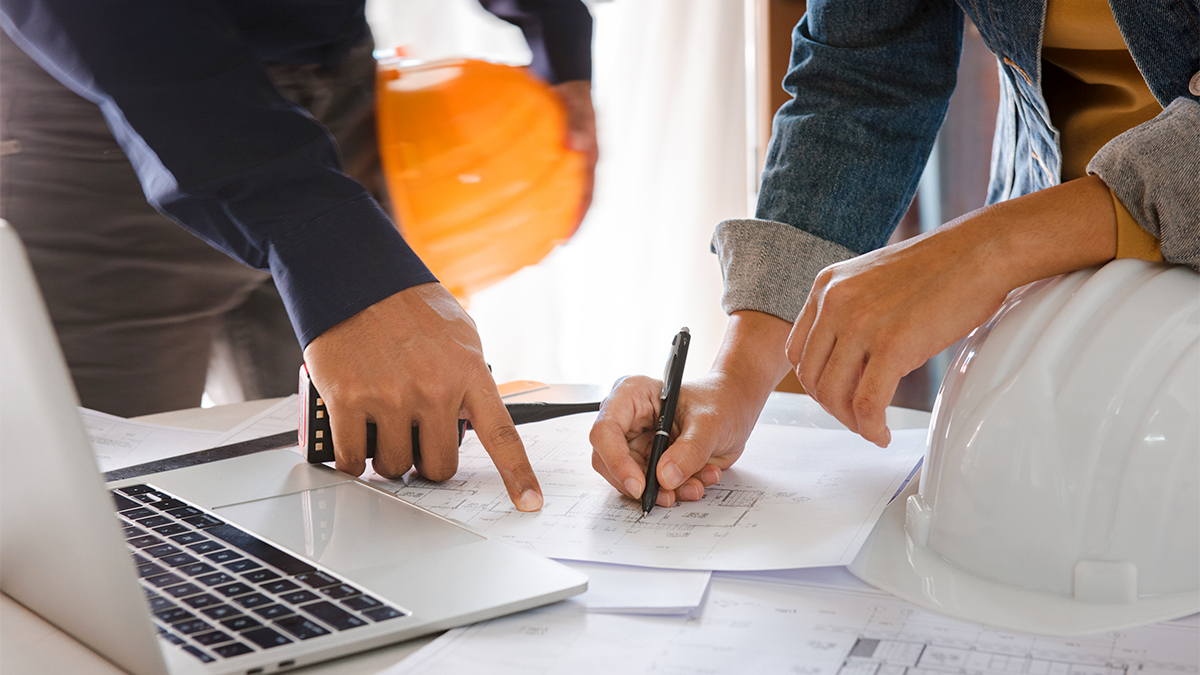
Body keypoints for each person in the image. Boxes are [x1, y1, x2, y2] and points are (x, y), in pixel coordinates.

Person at [590, 0, 1199, 509]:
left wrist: (990, 250)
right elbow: (866, 74)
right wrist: (737, 377)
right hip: (1053, 294)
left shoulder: (1001, 250)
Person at [0, 0, 596, 512]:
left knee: (350, 516)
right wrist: (324, 241)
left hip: (335, 88)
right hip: (112, 109)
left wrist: (555, 25)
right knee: (107, 514)